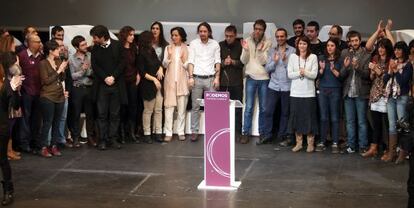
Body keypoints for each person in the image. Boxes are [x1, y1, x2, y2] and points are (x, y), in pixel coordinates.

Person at [90, 25, 127, 150]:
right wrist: (105, 77)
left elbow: (123, 63)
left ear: (102, 36)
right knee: (101, 114)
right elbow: (95, 66)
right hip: (101, 85)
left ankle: (113, 138)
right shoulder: (95, 49)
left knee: (115, 114)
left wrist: (113, 77)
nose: (93, 40)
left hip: (116, 85)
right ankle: (102, 140)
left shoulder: (118, 45)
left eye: (95, 37)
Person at [260, 28, 295, 146]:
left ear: (286, 37)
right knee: (268, 111)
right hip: (273, 85)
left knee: (285, 113)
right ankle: (267, 135)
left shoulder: (293, 51)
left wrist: (285, 61)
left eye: (282, 36)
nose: (280, 38)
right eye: (278, 36)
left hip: (287, 86)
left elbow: (292, 70)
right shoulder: (272, 51)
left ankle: (282, 135)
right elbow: (267, 69)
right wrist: (274, 62)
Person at [240, 19, 272, 144]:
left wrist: (259, 50)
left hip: (264, 78)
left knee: (264, 108)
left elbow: (264, 62)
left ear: (264, 30)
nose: (257, 31)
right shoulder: (247, 40)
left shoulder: (268, 42)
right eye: (256, 29)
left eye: (260, 29)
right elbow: (243, 60)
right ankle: (245, 133)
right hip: (250, 78)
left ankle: (262, 132)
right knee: (248, 107)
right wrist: (246, 50)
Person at [188, 22, 221, 142]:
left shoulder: (215, 44)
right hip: (196, 78)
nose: (202, 33)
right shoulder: (193, 44)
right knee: (195, 106)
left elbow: (218, 62)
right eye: (200, 31)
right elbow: (190, 61)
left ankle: (213, 130)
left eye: (205, 31)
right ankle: (194, 131)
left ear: (209, 32)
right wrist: (190, 77)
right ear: (198, 32)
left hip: (211, 78)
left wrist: (217, 78)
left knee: (212, 107)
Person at [340, 30, 371, 154]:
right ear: (349, 42)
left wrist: (357, 68)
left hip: (361, 92)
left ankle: (363, 145)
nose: (354, 43)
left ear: (360, 41)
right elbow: (341, 75)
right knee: (350, 121)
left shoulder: (366, 54)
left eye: (356, 40)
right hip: (348, 92)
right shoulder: (344, 53)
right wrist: (346, 67)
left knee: (362, 121)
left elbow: (367, 75)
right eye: (352, 41)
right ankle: (351, 145)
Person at [362, 38, 393, 158]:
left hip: (386, 94)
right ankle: (373, 147)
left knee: (387, 124)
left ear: (387, 49)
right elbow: (372, 78)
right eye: (379, 47)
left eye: (383, 47)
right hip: (375, 93)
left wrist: (377, 71)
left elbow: (387, 77)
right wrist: (372, 72)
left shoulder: (391, 60)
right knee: (375, 123)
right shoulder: (375, 59)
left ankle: (388, 149)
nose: (380, 49)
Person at [383, 41, 413, 163]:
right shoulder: (392, 62)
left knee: (402, 125)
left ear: (404, 51)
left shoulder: (408, 65)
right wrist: (390, 70)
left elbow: (403, 81)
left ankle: (403, 152)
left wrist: (395, 70)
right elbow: (385, 79)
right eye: (395, 49)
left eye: (399, 49)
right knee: (392, 125)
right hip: (390, 96)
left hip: (402, 97)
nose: (396, 52)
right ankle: (391, 152)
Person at [287, 36, 318, 153]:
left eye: (304, 44)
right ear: (297, 45)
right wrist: (299, 73)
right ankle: (299, 143)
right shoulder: (293, 57)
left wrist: (304, 72)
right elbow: (289, 74)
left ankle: (310, 143)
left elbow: (314, 75)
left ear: (308, 45)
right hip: (295, 93)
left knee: (309, 117)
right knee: (296, 117)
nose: (302, 46)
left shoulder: (313, 57)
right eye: (300, 44)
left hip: (309, 93)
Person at [38, 40, 68, 157]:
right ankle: (43, 146)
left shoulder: (58, 60)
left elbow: (62, 78)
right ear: (50, 51)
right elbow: (45, 81)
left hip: (59, 95)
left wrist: (63, 71)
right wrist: (58, 70)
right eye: (56, 49)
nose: (59, 51)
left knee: (57, 122)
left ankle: (54, 145)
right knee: (48, 122)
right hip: (47, 96)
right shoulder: (43, 63)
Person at [0, 59, 24, 205]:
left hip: (1, 127)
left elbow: (15, 106)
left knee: (2, 160)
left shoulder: (5, 87)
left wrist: (15, 91)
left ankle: (8, 191)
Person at [315, 38, 343, 153]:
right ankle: (322, 141)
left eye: (332, 45)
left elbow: (342, 77)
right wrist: (321, 70)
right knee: (323, 116)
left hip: (335, 89)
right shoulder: (322, 58)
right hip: (323, 89)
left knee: (335, 117)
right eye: (328, 46)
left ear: (336, 47)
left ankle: (335, 142)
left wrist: (333, 70)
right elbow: (318, 76)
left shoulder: (340, 59)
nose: (329, 48)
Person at [68, 35, 96, 147]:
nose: (86, 46)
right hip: (77, 89)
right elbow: (72, 76)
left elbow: (93, 72)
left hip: (89, 88)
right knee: (75, 114)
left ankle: (90, 137)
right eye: (83, 45)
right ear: (76, 47)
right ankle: (75, 138)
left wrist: (87, 71)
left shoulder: (90, 56)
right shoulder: (71, 59)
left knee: (90, 114)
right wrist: (83, 70)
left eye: (85, 44)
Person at [163, 27, 189, 142]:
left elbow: (189, 65)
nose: (173, 37)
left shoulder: (187, 48)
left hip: (182, 82)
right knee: (169, 108)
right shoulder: (168, 48)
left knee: (182, 109)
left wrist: (184, 62)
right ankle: (168, 132)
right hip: (170, 82)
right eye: (172, 35)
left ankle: (180, 131)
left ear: (181, 36)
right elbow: (164, 64)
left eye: (176, 35)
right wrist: (168, 56)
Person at [17, 34, 43, 153]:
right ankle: (24, 143)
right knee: (25, 119)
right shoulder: (21, 56)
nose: (39, 43)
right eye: (37, 42)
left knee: (36, 119)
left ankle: (35, 142)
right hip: (26, 92)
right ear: (30, 43)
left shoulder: (41, 57)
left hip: (39, 93)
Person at [138, 31, 164, 143]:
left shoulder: (152, 51)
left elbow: (159, 63)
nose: (153, 39)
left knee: (158, 110)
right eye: (151, 38)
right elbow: (142, 72)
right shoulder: (140, 54)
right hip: (148, 85)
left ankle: (158, 133)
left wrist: (161, 69)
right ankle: (147, 133)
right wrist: (154, 79)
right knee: (148, 111)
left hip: (157, 84)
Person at [219, 25, 243, 138]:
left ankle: (237, 132)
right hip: (223, 82)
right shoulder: (220, 45)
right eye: (226, 36)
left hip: (237, 82)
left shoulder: (240, 46)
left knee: (237, 108)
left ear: (235, 35)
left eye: (231, 36)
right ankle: (223, 131)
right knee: (223, 109)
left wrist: (233, 62)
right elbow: (216, 62)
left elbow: (244, 63)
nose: (228, 38)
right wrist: (224, 62)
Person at [0, 35, 22, 160]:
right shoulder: (8, 57)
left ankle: (9, 149)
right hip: (9, 93)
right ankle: (7, 151)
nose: (16, 45)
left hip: (11, 92)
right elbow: (17, 72)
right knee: (8, 124)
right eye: (13, 43)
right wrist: (18, 63)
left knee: (10, 125)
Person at [118, 26, 140, 144]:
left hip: (132, 80)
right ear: (125, 35)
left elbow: (136, 64)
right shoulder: (118, 47)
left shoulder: (134, 48)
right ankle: (121, 134)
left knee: (133, 107)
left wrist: (138, 74)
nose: (132, 37)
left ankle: (131, 133)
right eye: (130, 34)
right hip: (121, 81)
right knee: (122, 107)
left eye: (133, 35)